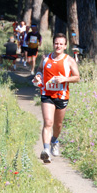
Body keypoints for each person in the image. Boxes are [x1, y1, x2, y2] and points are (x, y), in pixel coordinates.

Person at [33, 32, 80, 163]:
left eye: (61, 44)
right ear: (53, 44)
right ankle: (46, 150)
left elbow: (77, 77)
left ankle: (54, 140)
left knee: (57, 125)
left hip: (62, 96)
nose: (58, 46)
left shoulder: (69, 60)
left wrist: (65, 79)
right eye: (56, 43)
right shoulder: (45, 58)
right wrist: (38, 76)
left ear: (65, 46)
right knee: (48, 122)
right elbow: (39, 70)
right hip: (47, 94)